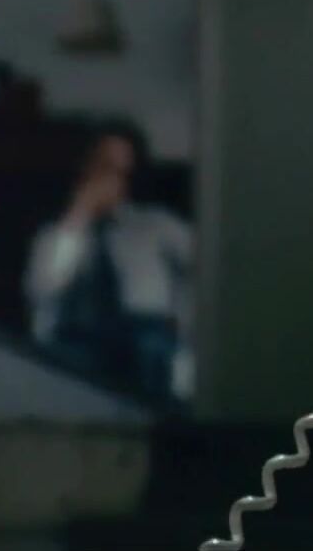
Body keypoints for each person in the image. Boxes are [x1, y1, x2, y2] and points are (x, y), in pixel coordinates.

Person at [25, 120, 195, 399]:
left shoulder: (157, 227)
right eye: (105, 168)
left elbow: (217, 266)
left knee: (152, 348)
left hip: (148, 345)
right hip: (78, 345)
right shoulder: (56, 234)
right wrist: (80, 214)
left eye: (122, 173)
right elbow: (43, 288)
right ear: (86, 167)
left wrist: (186, 322)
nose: (112, 181)